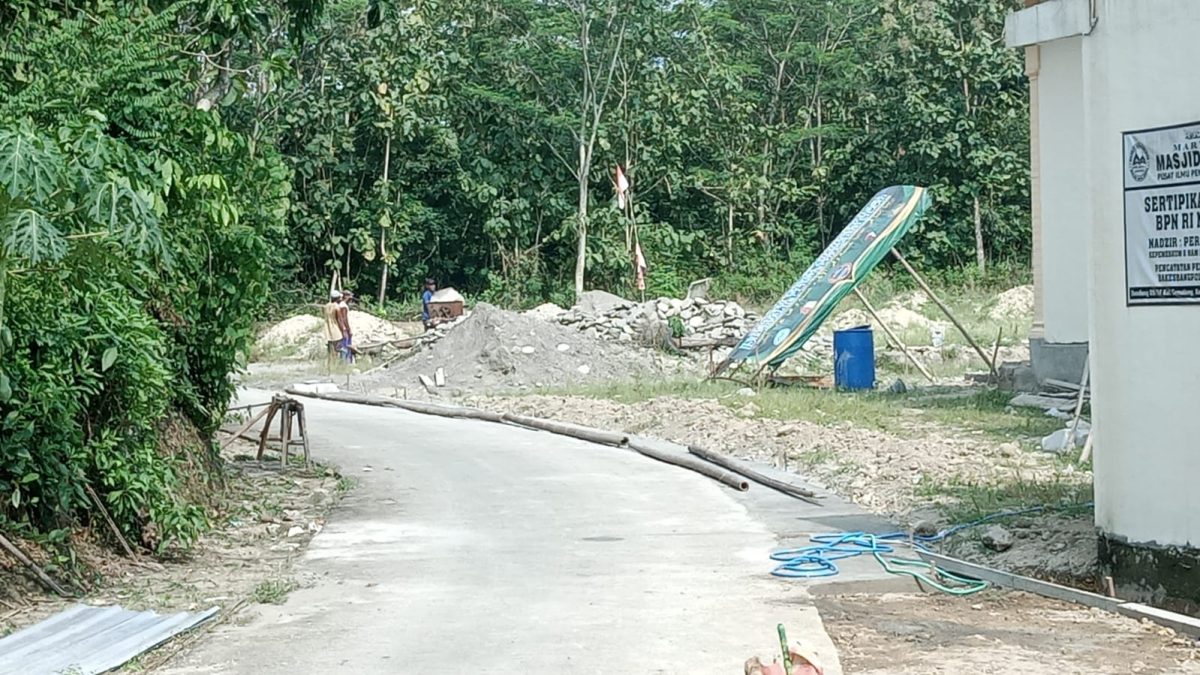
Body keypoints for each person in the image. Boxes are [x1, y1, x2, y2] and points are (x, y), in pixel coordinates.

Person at [322, 291, 344, 372]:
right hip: (335, 330)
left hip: (328, 330)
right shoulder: (337, 307)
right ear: (337, 298)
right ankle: (334, 367)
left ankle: (329, 366)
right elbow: (340, 320)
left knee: (329, 351)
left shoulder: (326, 306)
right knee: (336, 350)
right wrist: (343, 330)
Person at [336, 290, 354, 363]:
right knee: (346, 345)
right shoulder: (343, 306)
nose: (351, 297)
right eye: (350, 296)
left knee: (345, 345)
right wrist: (348, 329)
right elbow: (344, 319)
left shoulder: (341, 305)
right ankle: (345, 361)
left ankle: (345, 361)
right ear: (346, 296)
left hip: (342, 328)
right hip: (344, 329)